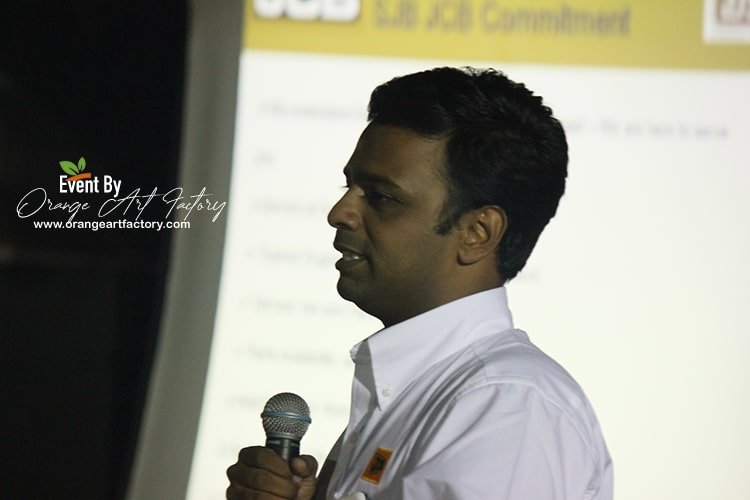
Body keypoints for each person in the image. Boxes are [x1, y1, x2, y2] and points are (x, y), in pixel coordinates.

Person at [226, 66, 613, 499]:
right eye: (349, 186)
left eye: (380, 197)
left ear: (478, 232)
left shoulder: (507, 406)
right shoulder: (432, 389)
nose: (340, 213)